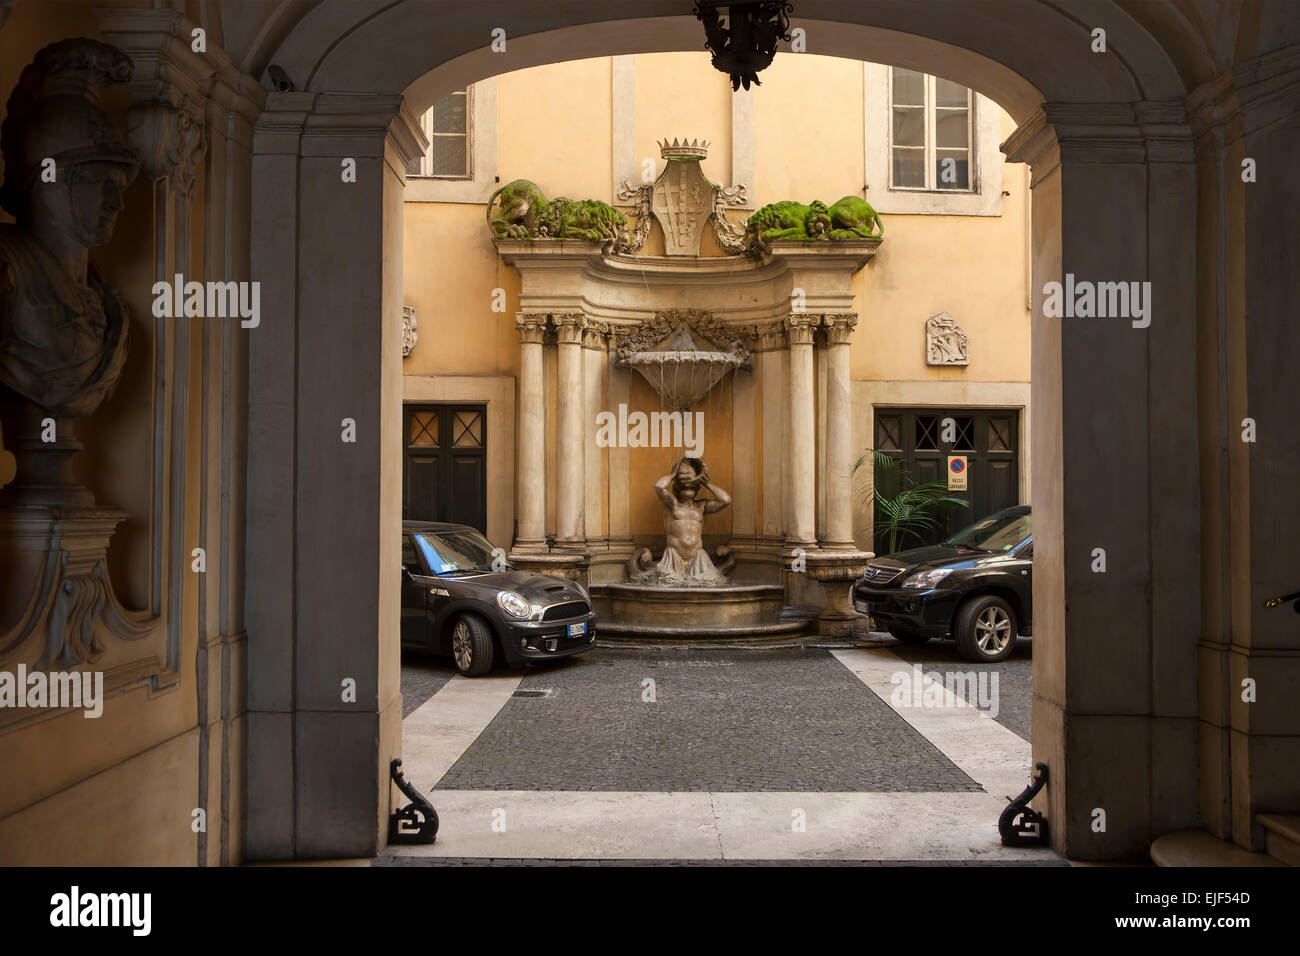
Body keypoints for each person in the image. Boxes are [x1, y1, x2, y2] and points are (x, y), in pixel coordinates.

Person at [633, 456, 732, 587]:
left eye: (692, 487)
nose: (688, 489)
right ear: (678, 488)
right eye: (685, 487)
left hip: (698, 559)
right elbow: (658, 486)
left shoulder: (701, 506)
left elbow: (726, 500)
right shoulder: (673, 504)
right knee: (667, 583)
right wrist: (673, 475)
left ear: (697, 489)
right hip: (674, 558)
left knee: (708, 583)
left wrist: (707, 483)